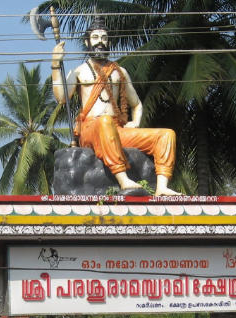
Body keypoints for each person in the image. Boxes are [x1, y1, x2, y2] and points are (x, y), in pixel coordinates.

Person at [52, 15, 179, 196]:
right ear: (87, 42)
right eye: (95, 38)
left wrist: (135, 122)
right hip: (91, 129)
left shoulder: (120, 72)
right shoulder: (80, 71)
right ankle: (123, 180)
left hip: (116, 129)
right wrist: (56, 65)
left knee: (166, 135)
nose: (100, 42)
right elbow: (61, 98)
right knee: (104, 121)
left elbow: (137, 105)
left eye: (104, 38)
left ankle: (162, 187)